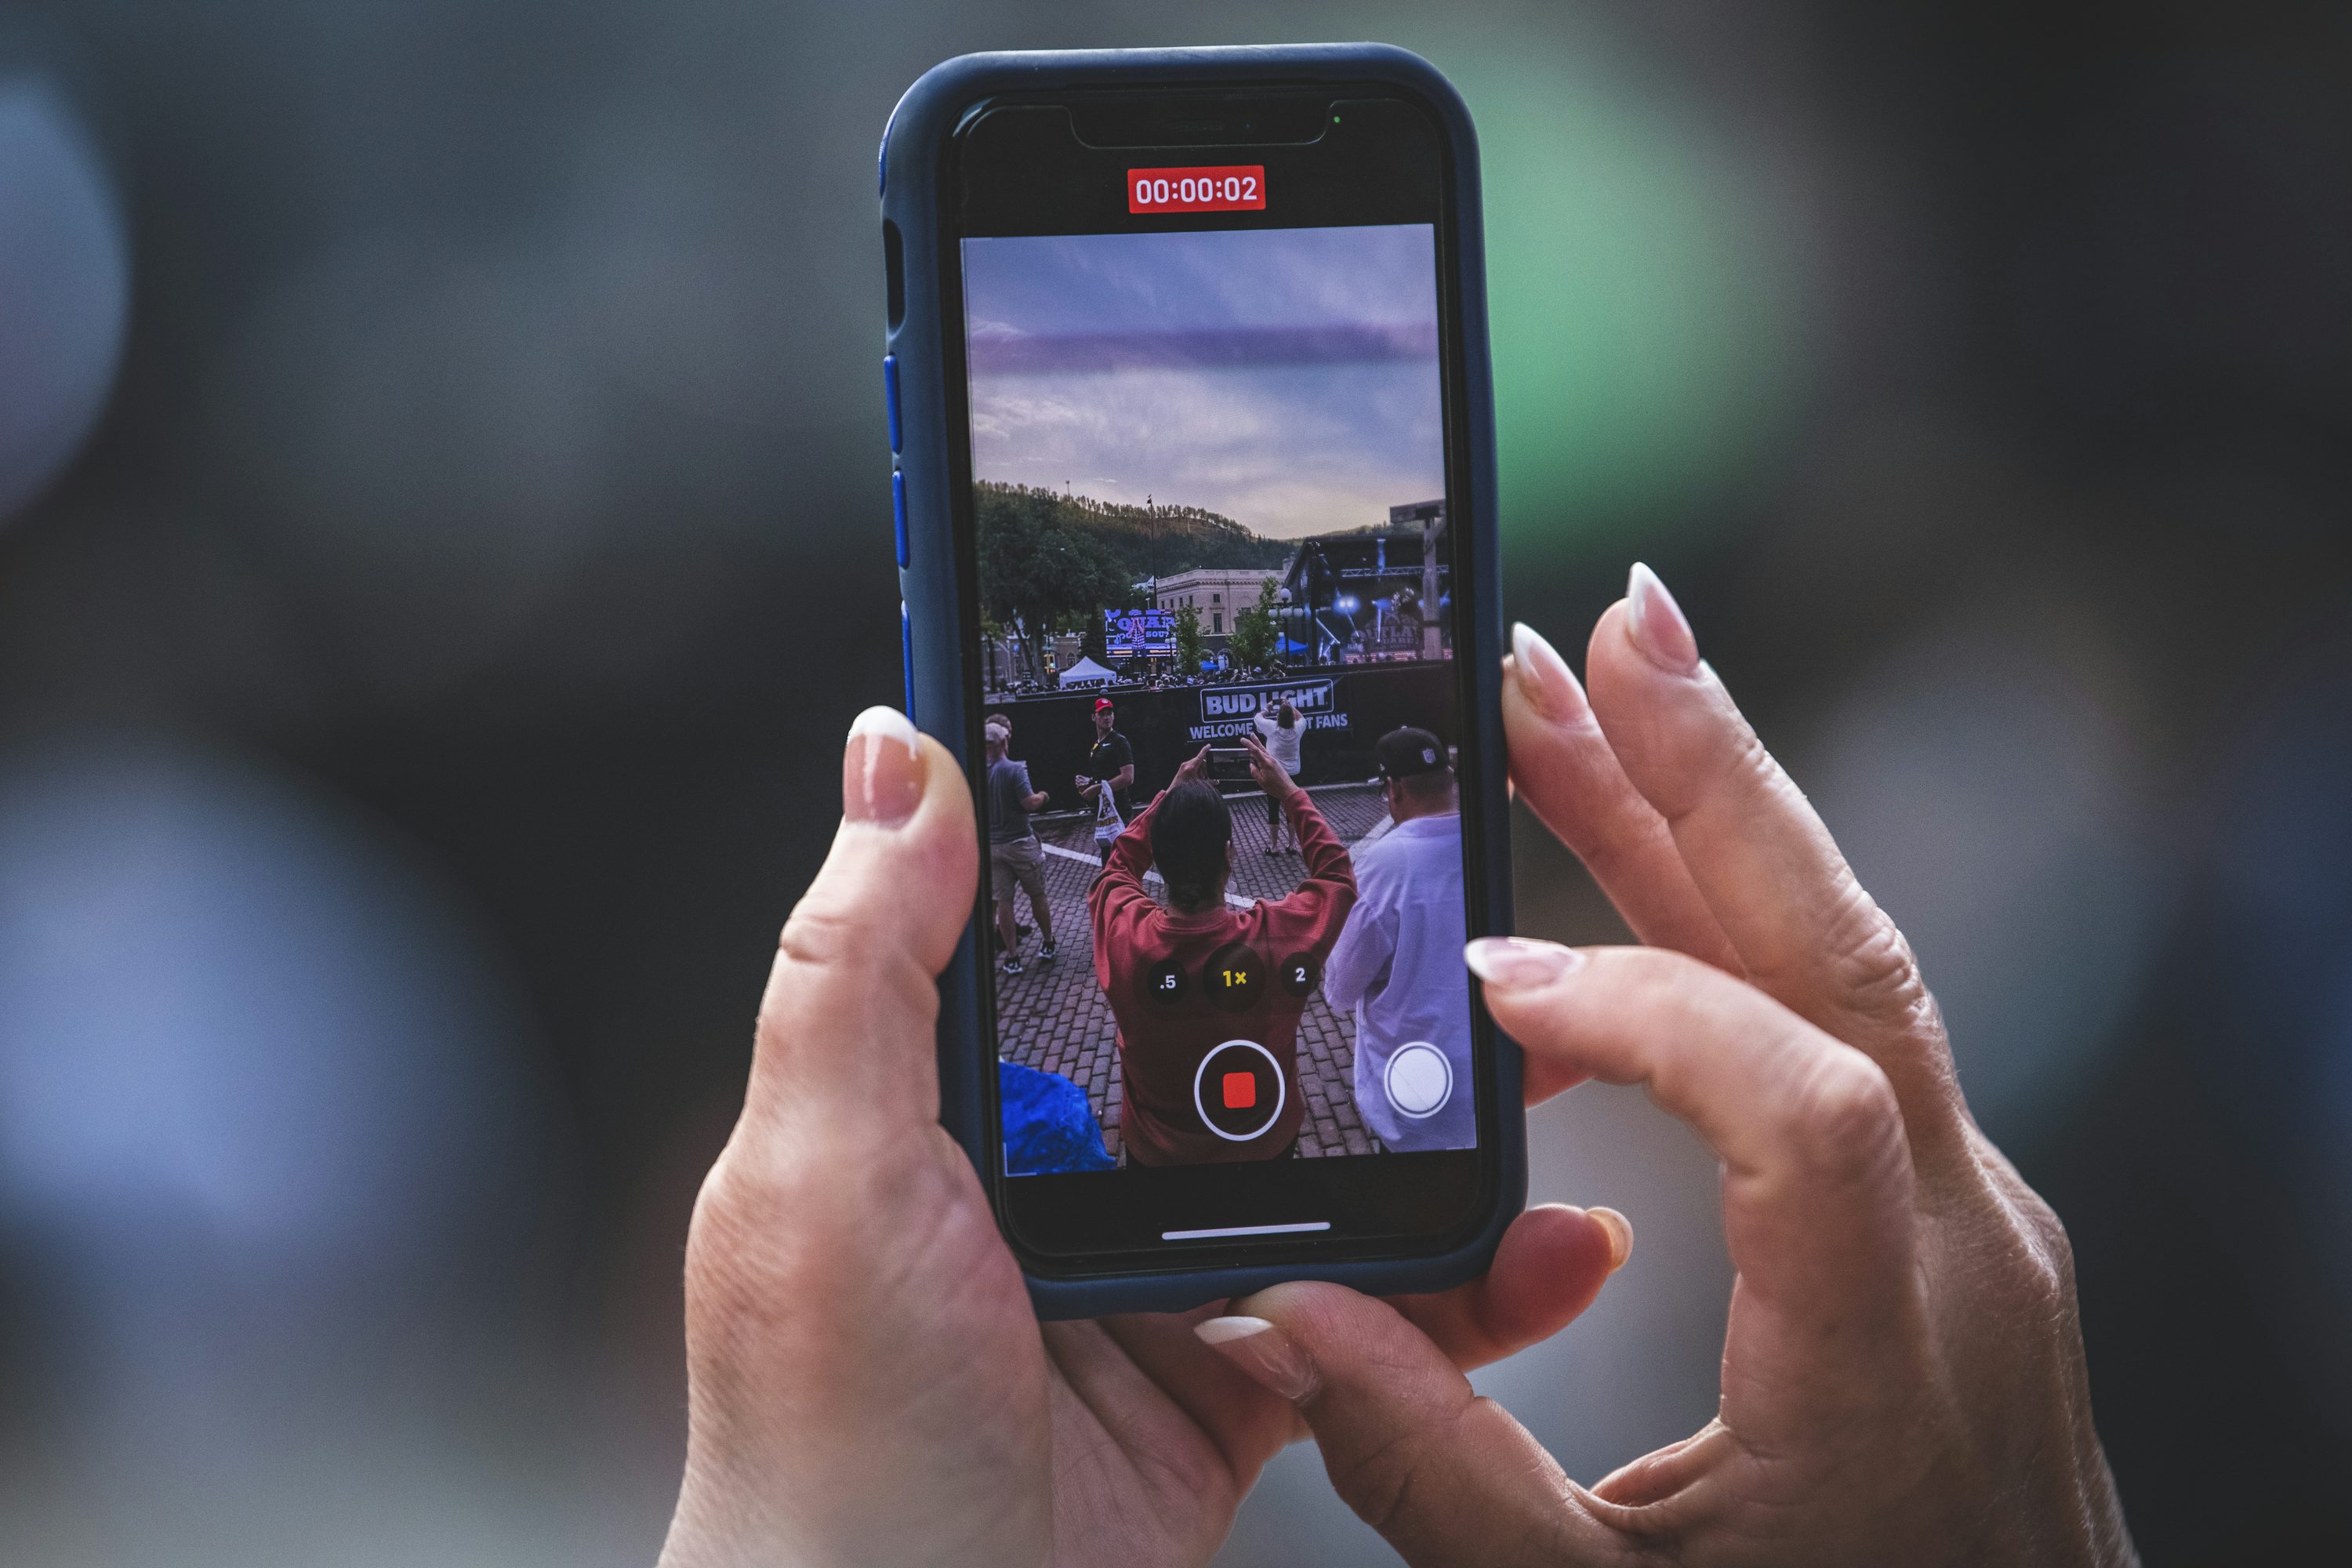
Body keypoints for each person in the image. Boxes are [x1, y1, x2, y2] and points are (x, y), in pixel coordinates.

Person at [658, 564, 2136, 1567]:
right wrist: (1273, 780)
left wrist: (1162, 807)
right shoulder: (1291, 923)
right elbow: (1325, 888)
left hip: (1155, 1176)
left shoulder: (1120, 933)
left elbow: (1113, 872)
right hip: (1318, 1134)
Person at [1088, 738, 1354, 1164]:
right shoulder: (1276, 937)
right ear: (1229, 855)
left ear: (1159, 858)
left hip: (1157, 1155)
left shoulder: (1125, 934)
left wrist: (1168, 799)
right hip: (1264, 1145)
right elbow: (1337, 876)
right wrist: (1289, 793)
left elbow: (1116, 869)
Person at [1323, 725, 1472, 1153]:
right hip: (1483, 1076)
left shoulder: (1383, 866)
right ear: (1449, 778)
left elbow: (1340, 988)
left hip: (1410, 1085)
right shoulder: (1485, 842)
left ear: (1394, 789)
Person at [982, 722, 1054, 975]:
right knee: (1037, 894)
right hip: (1021, 843)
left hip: (994, 847)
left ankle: (1012, 957)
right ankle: (1048, 942)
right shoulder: (1015, 769)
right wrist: (1044, 795)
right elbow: (1030, 803)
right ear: (1004, 742)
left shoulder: (978, 773)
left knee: (1004, 902)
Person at [1074, 695, 1135, 864]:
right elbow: (1103, 776)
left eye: (1109, 713)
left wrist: (1097, 788)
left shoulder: (1119, 742)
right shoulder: (1097, 744)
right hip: (1104, 810)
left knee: (1119, 860)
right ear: (1093, 717)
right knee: (1109, 858)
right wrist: (1088, 782)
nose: (1107, 717)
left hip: (1118, 810)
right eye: (1102, 714)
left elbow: (1128, 778)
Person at [1250, 695, 1305, 853]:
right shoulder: (1298, 728)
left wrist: (1267, 709)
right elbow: (1301, 717)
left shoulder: (1272, 728)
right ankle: (1292, 845)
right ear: (1292, 717)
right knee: (1291, 808)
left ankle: (1274, 847)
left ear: (1278, 717)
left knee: (1273, 808)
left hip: (1275, 773)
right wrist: (1289, 705)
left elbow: (1257, 718)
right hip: (1293, 774)